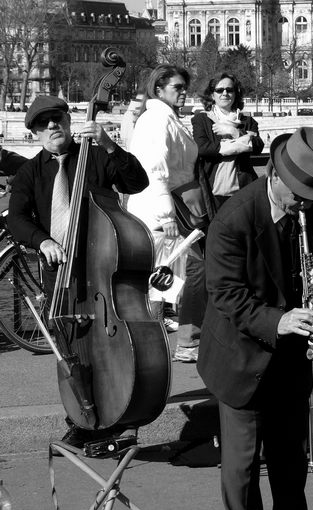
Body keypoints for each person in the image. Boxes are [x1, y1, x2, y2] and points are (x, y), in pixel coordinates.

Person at [197, 127, 313, 510]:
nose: (306, 204)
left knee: (290, 455)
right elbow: (224, 293)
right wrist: (276, 322)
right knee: (242, 464)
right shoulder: (233, 219)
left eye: (312, 196)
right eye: (298, 194)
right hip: (241, 353)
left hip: (292, 351)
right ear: (275, 177)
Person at [6, 95, 149, 447]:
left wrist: (108, 143)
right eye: (44, 123)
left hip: (101, 267)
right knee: (70, 348)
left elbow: (137, 182)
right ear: (35, 133)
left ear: (69, 122)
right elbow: (17, 219)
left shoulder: (97, 157)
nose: (52, 126)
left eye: (57, 119)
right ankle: (82, 417)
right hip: (59, 271)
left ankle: (120, 417)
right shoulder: (31, 172)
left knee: (109, 346)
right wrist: (42, 241)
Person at [126, 65, 202, 360]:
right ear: (158, 89)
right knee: (162, 280)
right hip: (162, 213)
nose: (183, 92)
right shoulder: (157, 119)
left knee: (167, 279)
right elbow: (154, 169)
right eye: (177, 87)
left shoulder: (166, 117)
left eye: (184, 87)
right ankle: (153, 349)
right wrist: (166, 214)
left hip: (172, 209)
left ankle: (160, 347)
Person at [191, 72, 264, 210]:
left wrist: (234, 132)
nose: (225, 93)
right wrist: (243, 141)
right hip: (213, 189)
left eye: (229, 90)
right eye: (219, 90)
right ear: (212, 95)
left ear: (235, 94)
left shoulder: (247, 121)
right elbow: (203, 149)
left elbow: (258, 146)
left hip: (244, 188)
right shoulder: (201, 120)